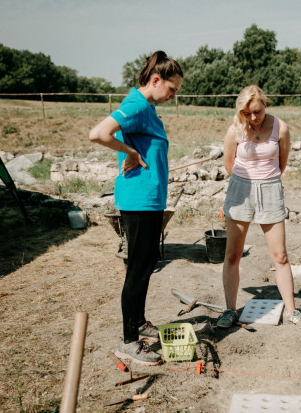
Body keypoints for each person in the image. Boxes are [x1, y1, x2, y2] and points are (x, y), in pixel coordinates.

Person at [89, 51, 183, 365]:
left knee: (145, 263)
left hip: (148, 199)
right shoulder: (138, 105)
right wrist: (128, 150)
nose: (173, 95)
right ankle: (129, 341)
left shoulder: (146, 106)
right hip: (139, 201)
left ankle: (139, 322)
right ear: (156, 80)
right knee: (138, 269)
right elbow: (99, 133)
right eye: (172, 89)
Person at [216, 85, 301, 330]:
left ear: (265, 105)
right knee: (232, 255)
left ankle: (292, 311)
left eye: (256, 112)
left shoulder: (281, 127)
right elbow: (229, 165)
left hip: (270, 189)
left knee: (280, 255)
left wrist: (264, 181)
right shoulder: (234, 129)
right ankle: (230, 310)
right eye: (247, 113)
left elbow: (282, 163)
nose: (253, 117)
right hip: (240, 189)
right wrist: (247, 184)